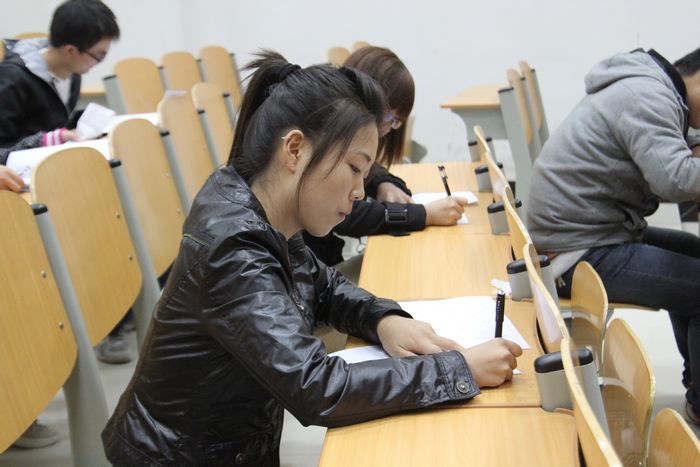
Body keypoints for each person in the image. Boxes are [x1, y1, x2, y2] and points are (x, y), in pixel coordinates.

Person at [102, 51, 522, 465]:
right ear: (294, 150)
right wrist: (458, 369)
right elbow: (317, 387)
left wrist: (383, 319)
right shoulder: (234, 248)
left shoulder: (266, 209)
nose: (359, 191)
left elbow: (323, 286)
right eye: (354, 168)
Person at [525, 47, 700, 425]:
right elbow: (674, 179)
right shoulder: (649, 97)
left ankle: (695, 386)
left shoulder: (646, 87)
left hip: (589, 233)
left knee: (692, 253)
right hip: (576, 252)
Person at [303, 46, 471, 268]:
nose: (388, 128)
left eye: (396, 121)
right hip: (312, 272)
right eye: (389, 117)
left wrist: (383, 183)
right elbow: (347, 215)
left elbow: (371, 169)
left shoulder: (342, 129)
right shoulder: (328, 135)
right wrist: (423, 215)